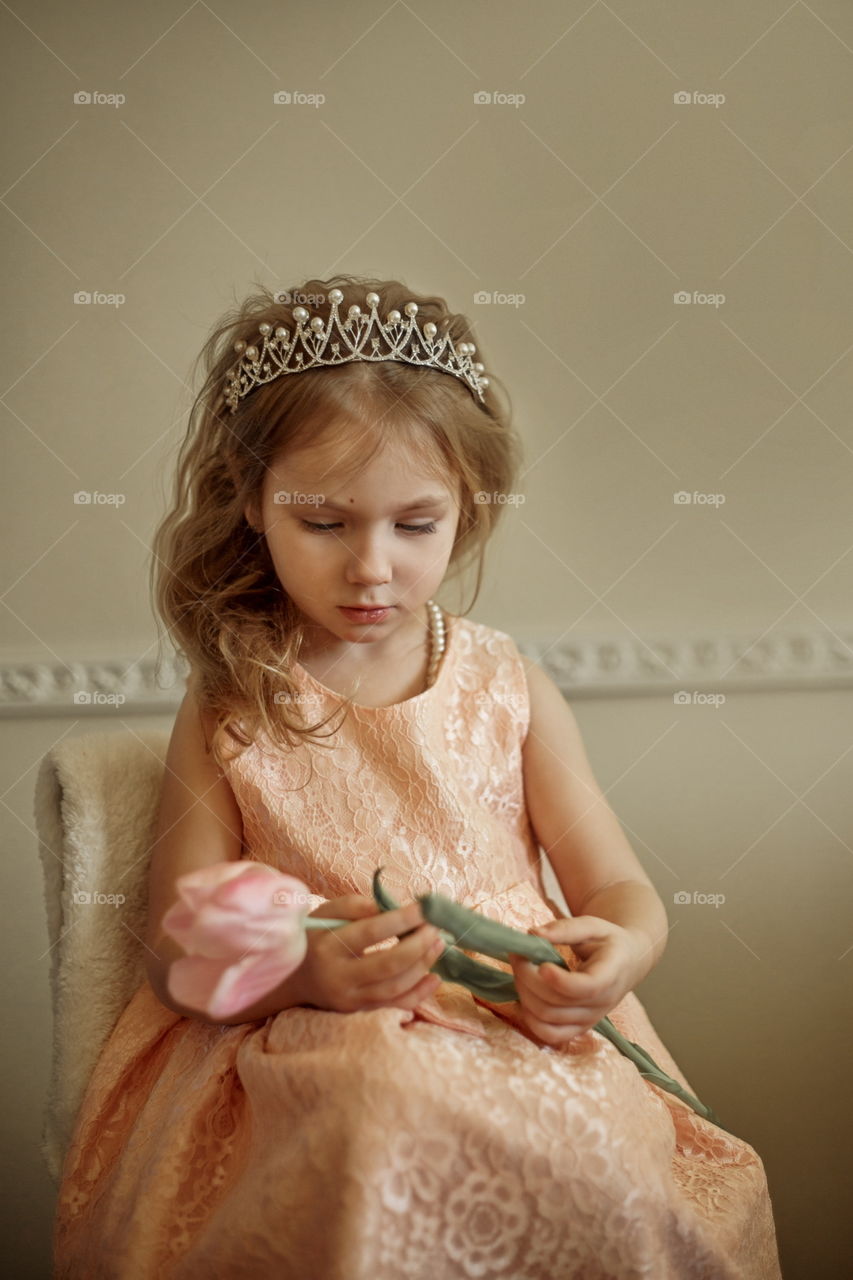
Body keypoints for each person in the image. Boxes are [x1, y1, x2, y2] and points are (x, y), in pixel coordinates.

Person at [52, 275, 783, 1278]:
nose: (371, 567)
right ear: (250, 499)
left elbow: (619, 888)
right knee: (378, 1107)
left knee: (605, 1145)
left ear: (466, 510)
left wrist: (618, 953)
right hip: (317, 1027)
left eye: (414, 524)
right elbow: (178, 945)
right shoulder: (235, 695)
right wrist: (306, 968)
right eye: (325, 523)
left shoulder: (506, 683)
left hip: (512, 1019)